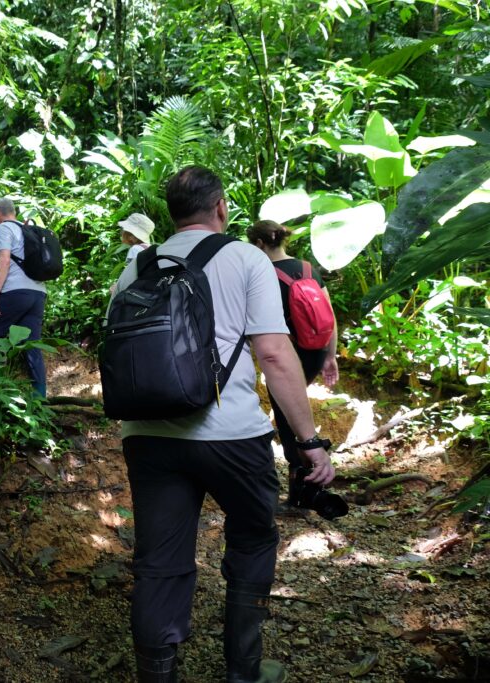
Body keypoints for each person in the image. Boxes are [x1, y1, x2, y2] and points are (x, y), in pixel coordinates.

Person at [111, 167, 335, 683]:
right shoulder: (245, 257)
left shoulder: (135, 265)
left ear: (170, 214)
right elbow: (276, 356)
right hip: (231, 434)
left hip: (147, 435)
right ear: (221, 208)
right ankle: (243, 671)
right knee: (254, 538)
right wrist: (309, 442)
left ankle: (159, 675)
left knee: (159, 561)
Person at [247, 220, 339, 504]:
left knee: (287, 417)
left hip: (289, 353)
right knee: (291, 412)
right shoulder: (308, 268)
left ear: (260, 244)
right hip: (314, 352)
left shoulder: (264, 274)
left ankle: (303, 487)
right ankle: (308, 478)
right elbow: (330, 316)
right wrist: (330, 355)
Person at [0, 198, 48, 397]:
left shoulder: (5, 228)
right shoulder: (28, 230)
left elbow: (5, 261)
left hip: (16, 292)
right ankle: (40, 396)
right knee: (31, 343)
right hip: (38, 292)